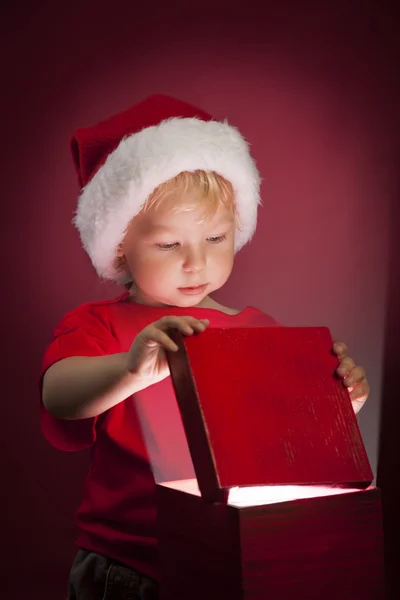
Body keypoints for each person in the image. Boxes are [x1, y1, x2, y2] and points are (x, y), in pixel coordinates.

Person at [40, 94, 370, 599]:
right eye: (170, 245)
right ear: (119, 245)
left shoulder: (259, 329)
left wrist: (337, 405)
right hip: (131, 565)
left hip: (233, 557)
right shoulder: (100, 325)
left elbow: (281, 441)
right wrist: (131, 371)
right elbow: (58, 394)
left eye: (216, 238)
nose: (197, 263)